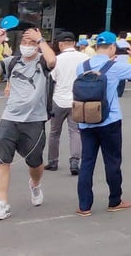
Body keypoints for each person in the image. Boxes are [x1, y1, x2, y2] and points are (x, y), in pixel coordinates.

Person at [0, 27, 57, 221]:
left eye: (31, 43)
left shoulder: (41, 62)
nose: (27, 46)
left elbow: (53, 61)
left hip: (34, 120)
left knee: (35, 162)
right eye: (24, 42)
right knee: (3, 160)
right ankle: (2, 204)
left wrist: (40, 41)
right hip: (9, 119)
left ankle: (35, 184)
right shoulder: (12, 62)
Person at [75, 31, 131, 216]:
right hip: (109, 120)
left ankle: (84, 206)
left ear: (96, 46)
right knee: (112, 162)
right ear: (113, 47)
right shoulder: (115, 67)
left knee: (87, 163)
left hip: (86, 120)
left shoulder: (82, 66)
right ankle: (114, 200)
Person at [48, 31, 89, 175]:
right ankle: (74, 161)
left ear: (60, 44)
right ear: (74, 43)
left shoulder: (56, 59)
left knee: (54, 132)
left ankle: (53, 161)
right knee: (75, 132)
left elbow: (51, 81)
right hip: (77, 100)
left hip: (58, 100)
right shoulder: (85, 58)